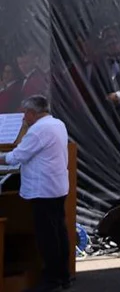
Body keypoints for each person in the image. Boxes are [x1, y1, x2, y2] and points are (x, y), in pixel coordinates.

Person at [0, 96, 70, 292]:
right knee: (59, 232)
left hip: (43, 190)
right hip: (57, 187)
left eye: (25, 113)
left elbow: (16, 156)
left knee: (47, 237)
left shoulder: (38, 130)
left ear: (32, 113)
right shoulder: (58, 124)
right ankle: (63, 276)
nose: (24, 116)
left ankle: (51, 279)